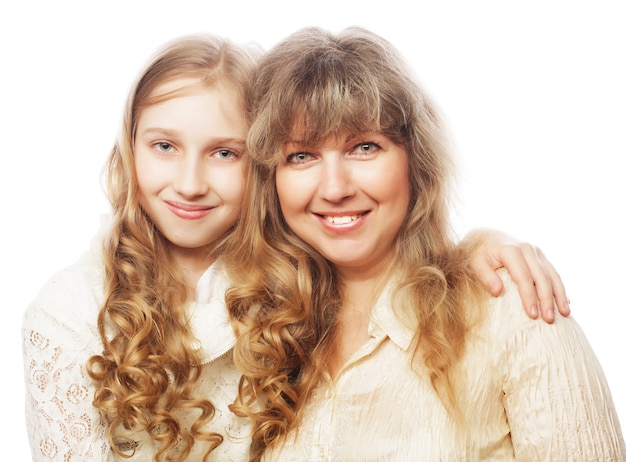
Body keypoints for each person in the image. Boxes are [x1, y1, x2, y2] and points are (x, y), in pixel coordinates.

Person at [22, 32, 569, 462]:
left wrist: (473, 247)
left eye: (225, 153)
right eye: (164, 146)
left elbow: (385, 251)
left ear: (262, 165)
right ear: (129, 151)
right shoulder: (68, 316)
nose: (189, 182)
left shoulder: (295, 278)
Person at [224, 26, 626, 461]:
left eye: (364, 147)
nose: (335, 188)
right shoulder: (265, 342)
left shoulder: (512, 307)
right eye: (301, 155)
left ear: (415, 160)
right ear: (272, 180)